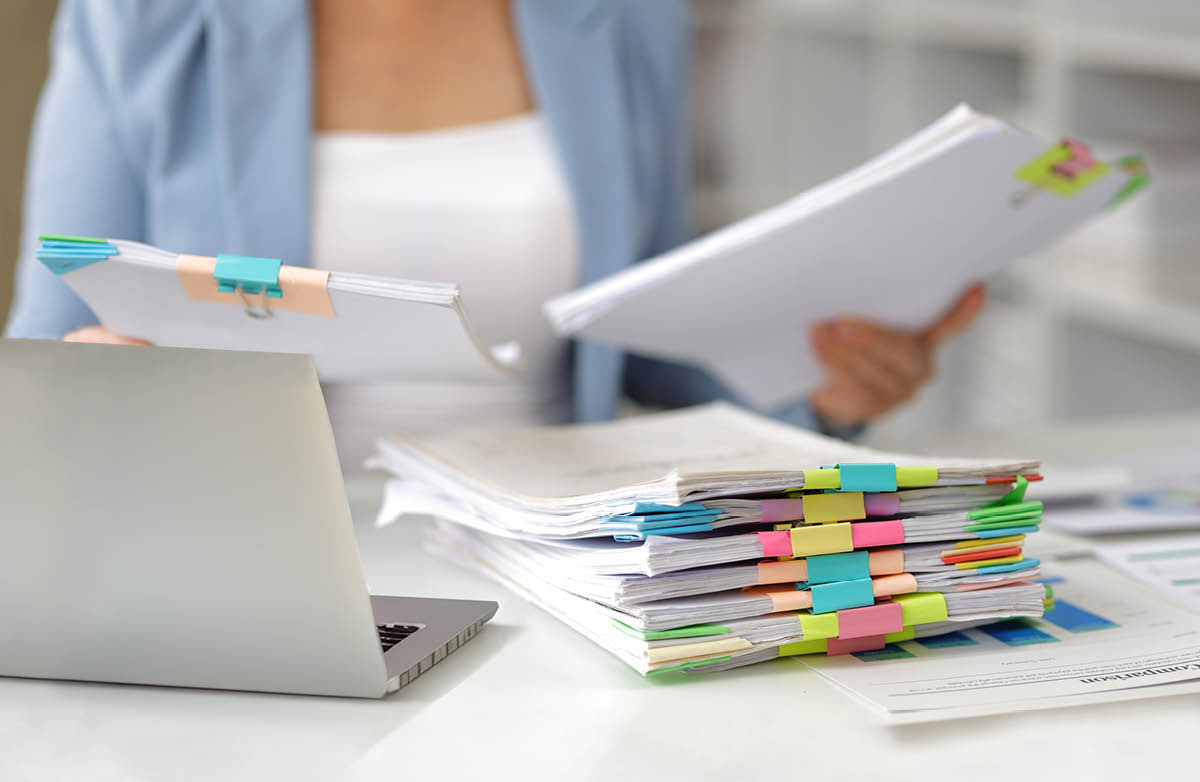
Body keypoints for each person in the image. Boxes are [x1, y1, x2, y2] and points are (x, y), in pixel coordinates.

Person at [5, 0, 983, 463]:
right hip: (256, 555)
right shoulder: (145, 20)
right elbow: (50, 348)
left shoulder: (624, 20)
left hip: (564, 555)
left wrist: (820, 385)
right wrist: (96, 388)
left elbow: (644, 337)